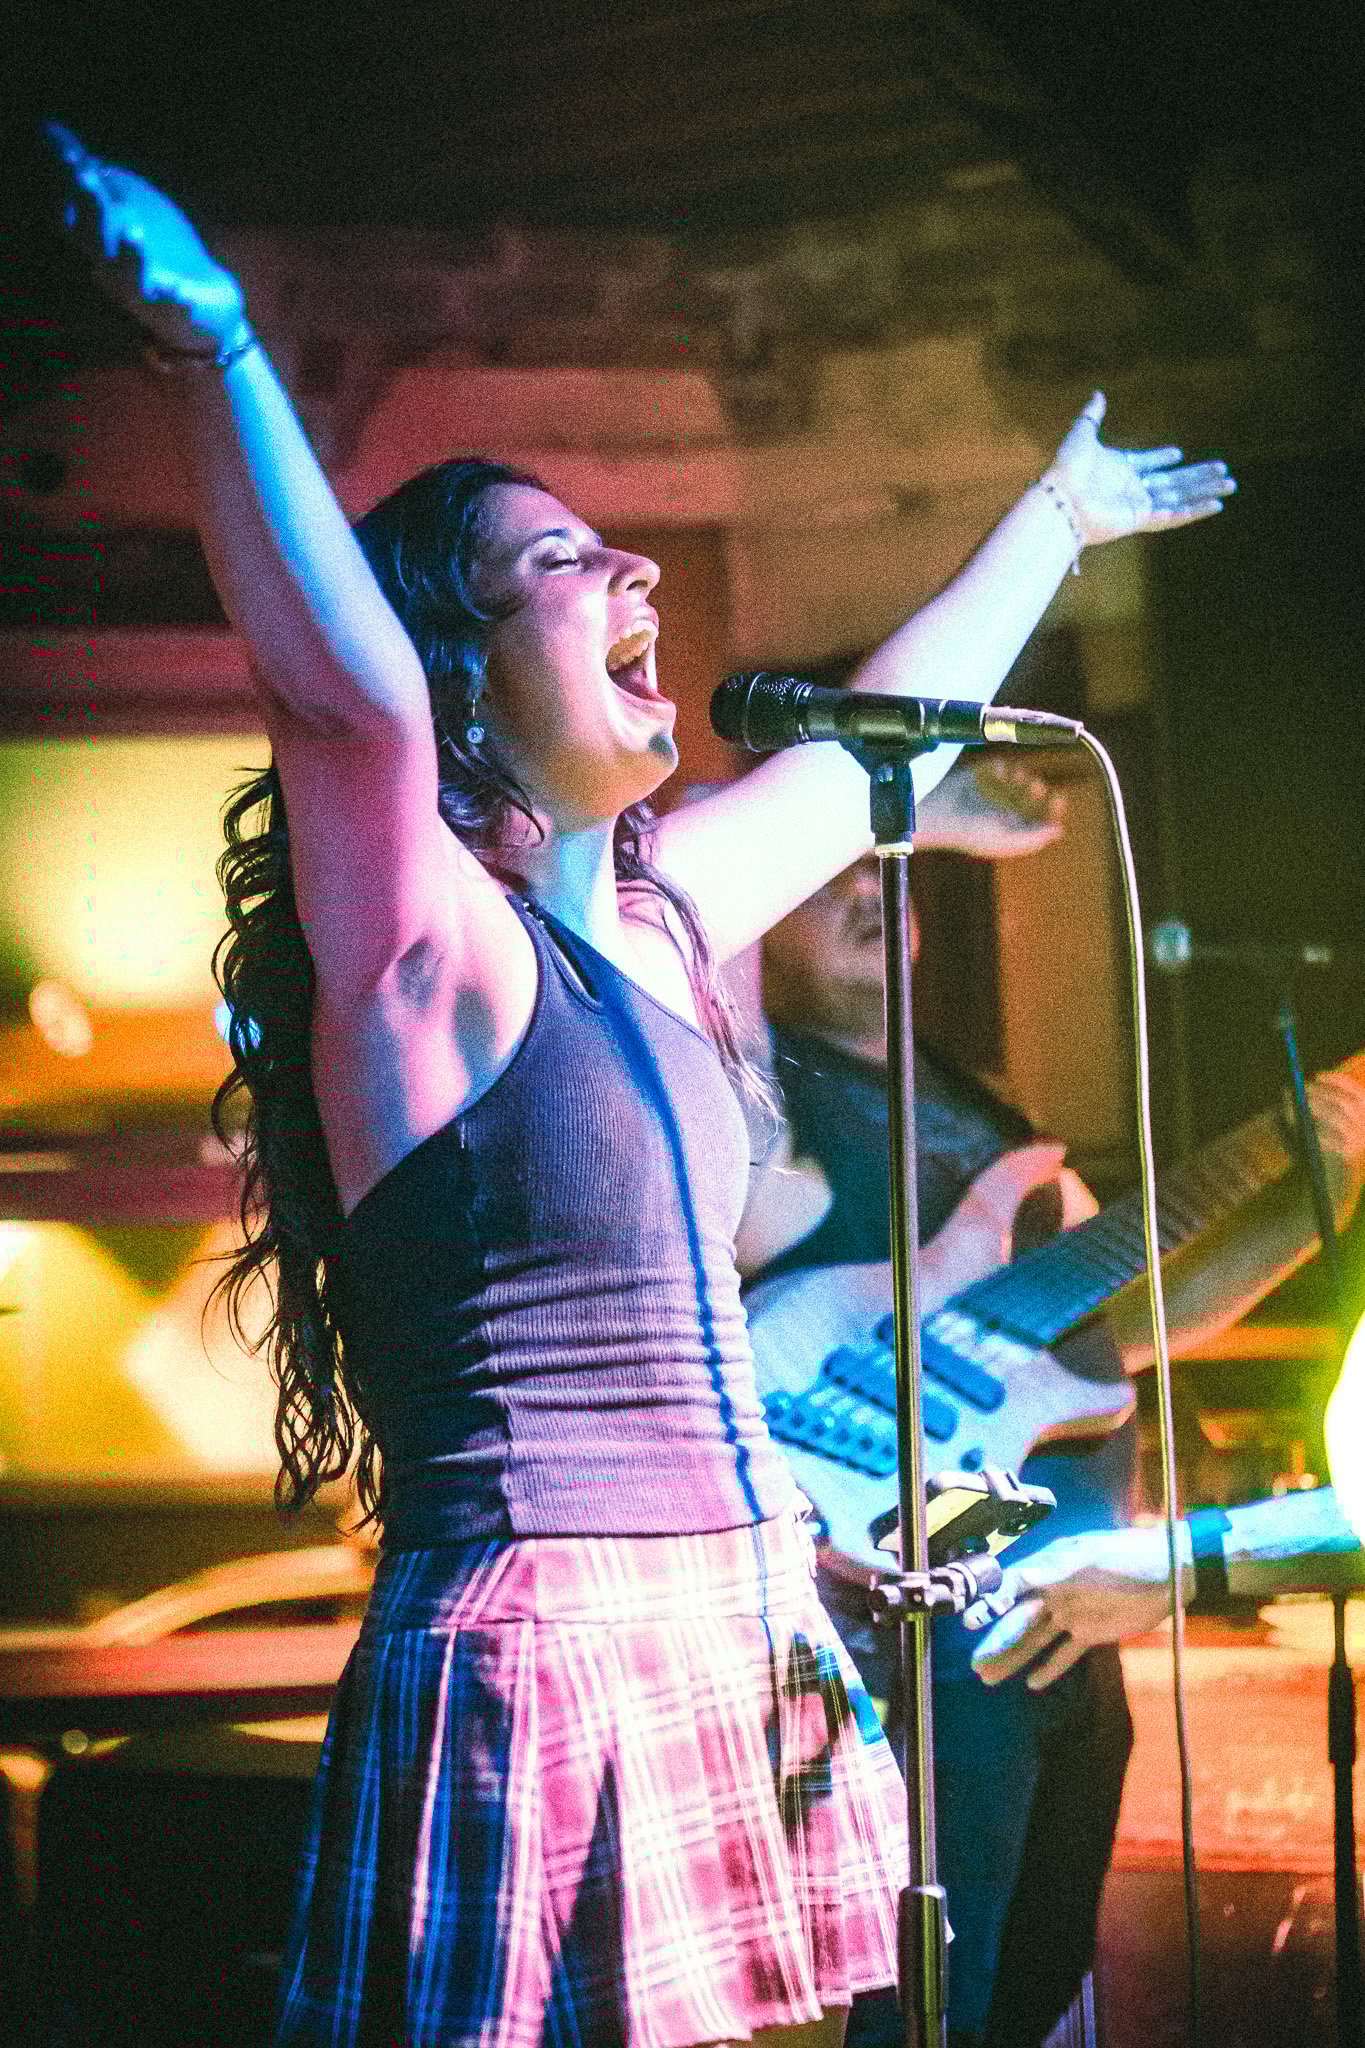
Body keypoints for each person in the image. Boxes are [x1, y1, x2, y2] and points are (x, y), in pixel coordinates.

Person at [44, 120, 1235, 2048]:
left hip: (731, 1620)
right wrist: (218, 349)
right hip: (549, 1646)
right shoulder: (431, 947)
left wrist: (1055, 523)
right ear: (467, 669)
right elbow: (339, 692)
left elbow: (885, 764)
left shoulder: (664, 934)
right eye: (562, 563)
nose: (633, 569)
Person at [744, 853, 1365, 2047]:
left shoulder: (979, 1116)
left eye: (887, 874)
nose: (876, 890)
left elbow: (1138, 1322)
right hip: (914, 1625)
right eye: (824, 878)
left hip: (1063, 1613)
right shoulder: (766, 1103)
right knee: (937, 1975)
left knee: (1037, 1957)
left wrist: (1313, 1182)